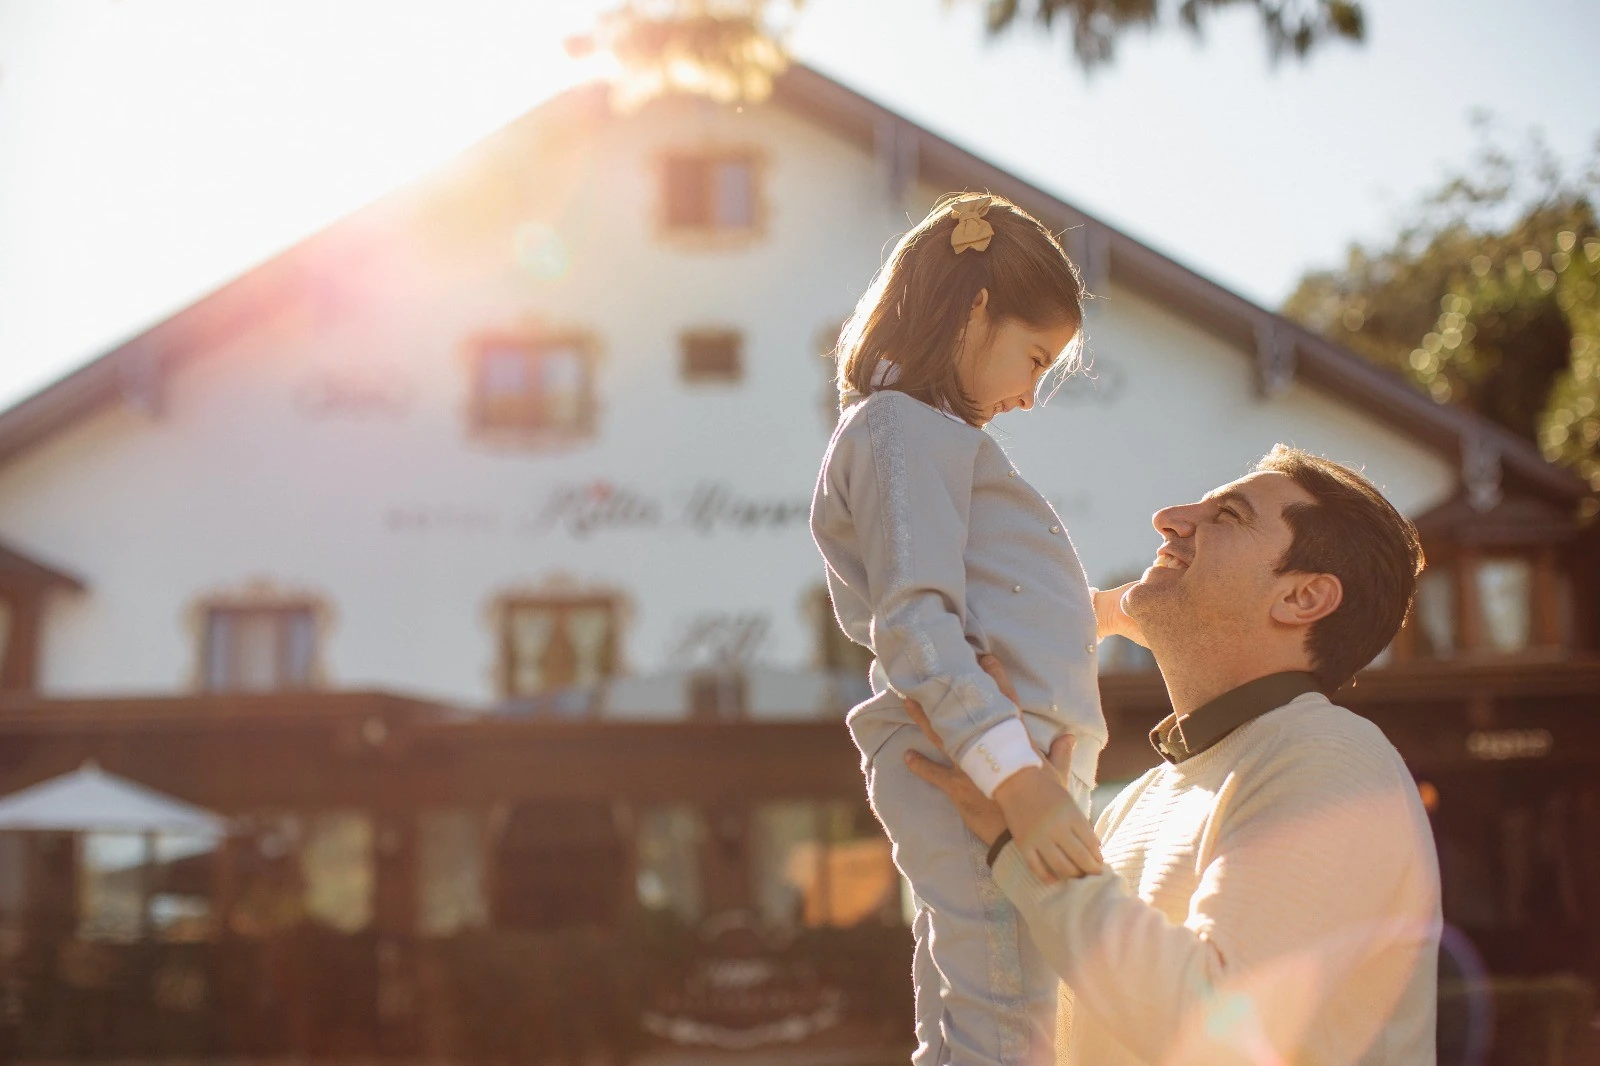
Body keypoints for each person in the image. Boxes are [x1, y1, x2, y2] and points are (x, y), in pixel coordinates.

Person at [905, 446, 1443, 1065]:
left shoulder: (1334, 761)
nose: (1169, 517)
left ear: (1302, 600)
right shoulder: (1141, 798)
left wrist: (1025, 832)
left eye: (1229, 516)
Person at [810, 191, 1113, 1066]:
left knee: (976, 1011)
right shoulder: (901, 430)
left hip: (996, 761)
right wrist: (1016, 779)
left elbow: (990, 603)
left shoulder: (919, 437)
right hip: (987, 769)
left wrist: (1117, 614)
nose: (1028, 396)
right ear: (976, 307)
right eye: (1034, 357)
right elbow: (914, 621)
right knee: (1008, 1021)